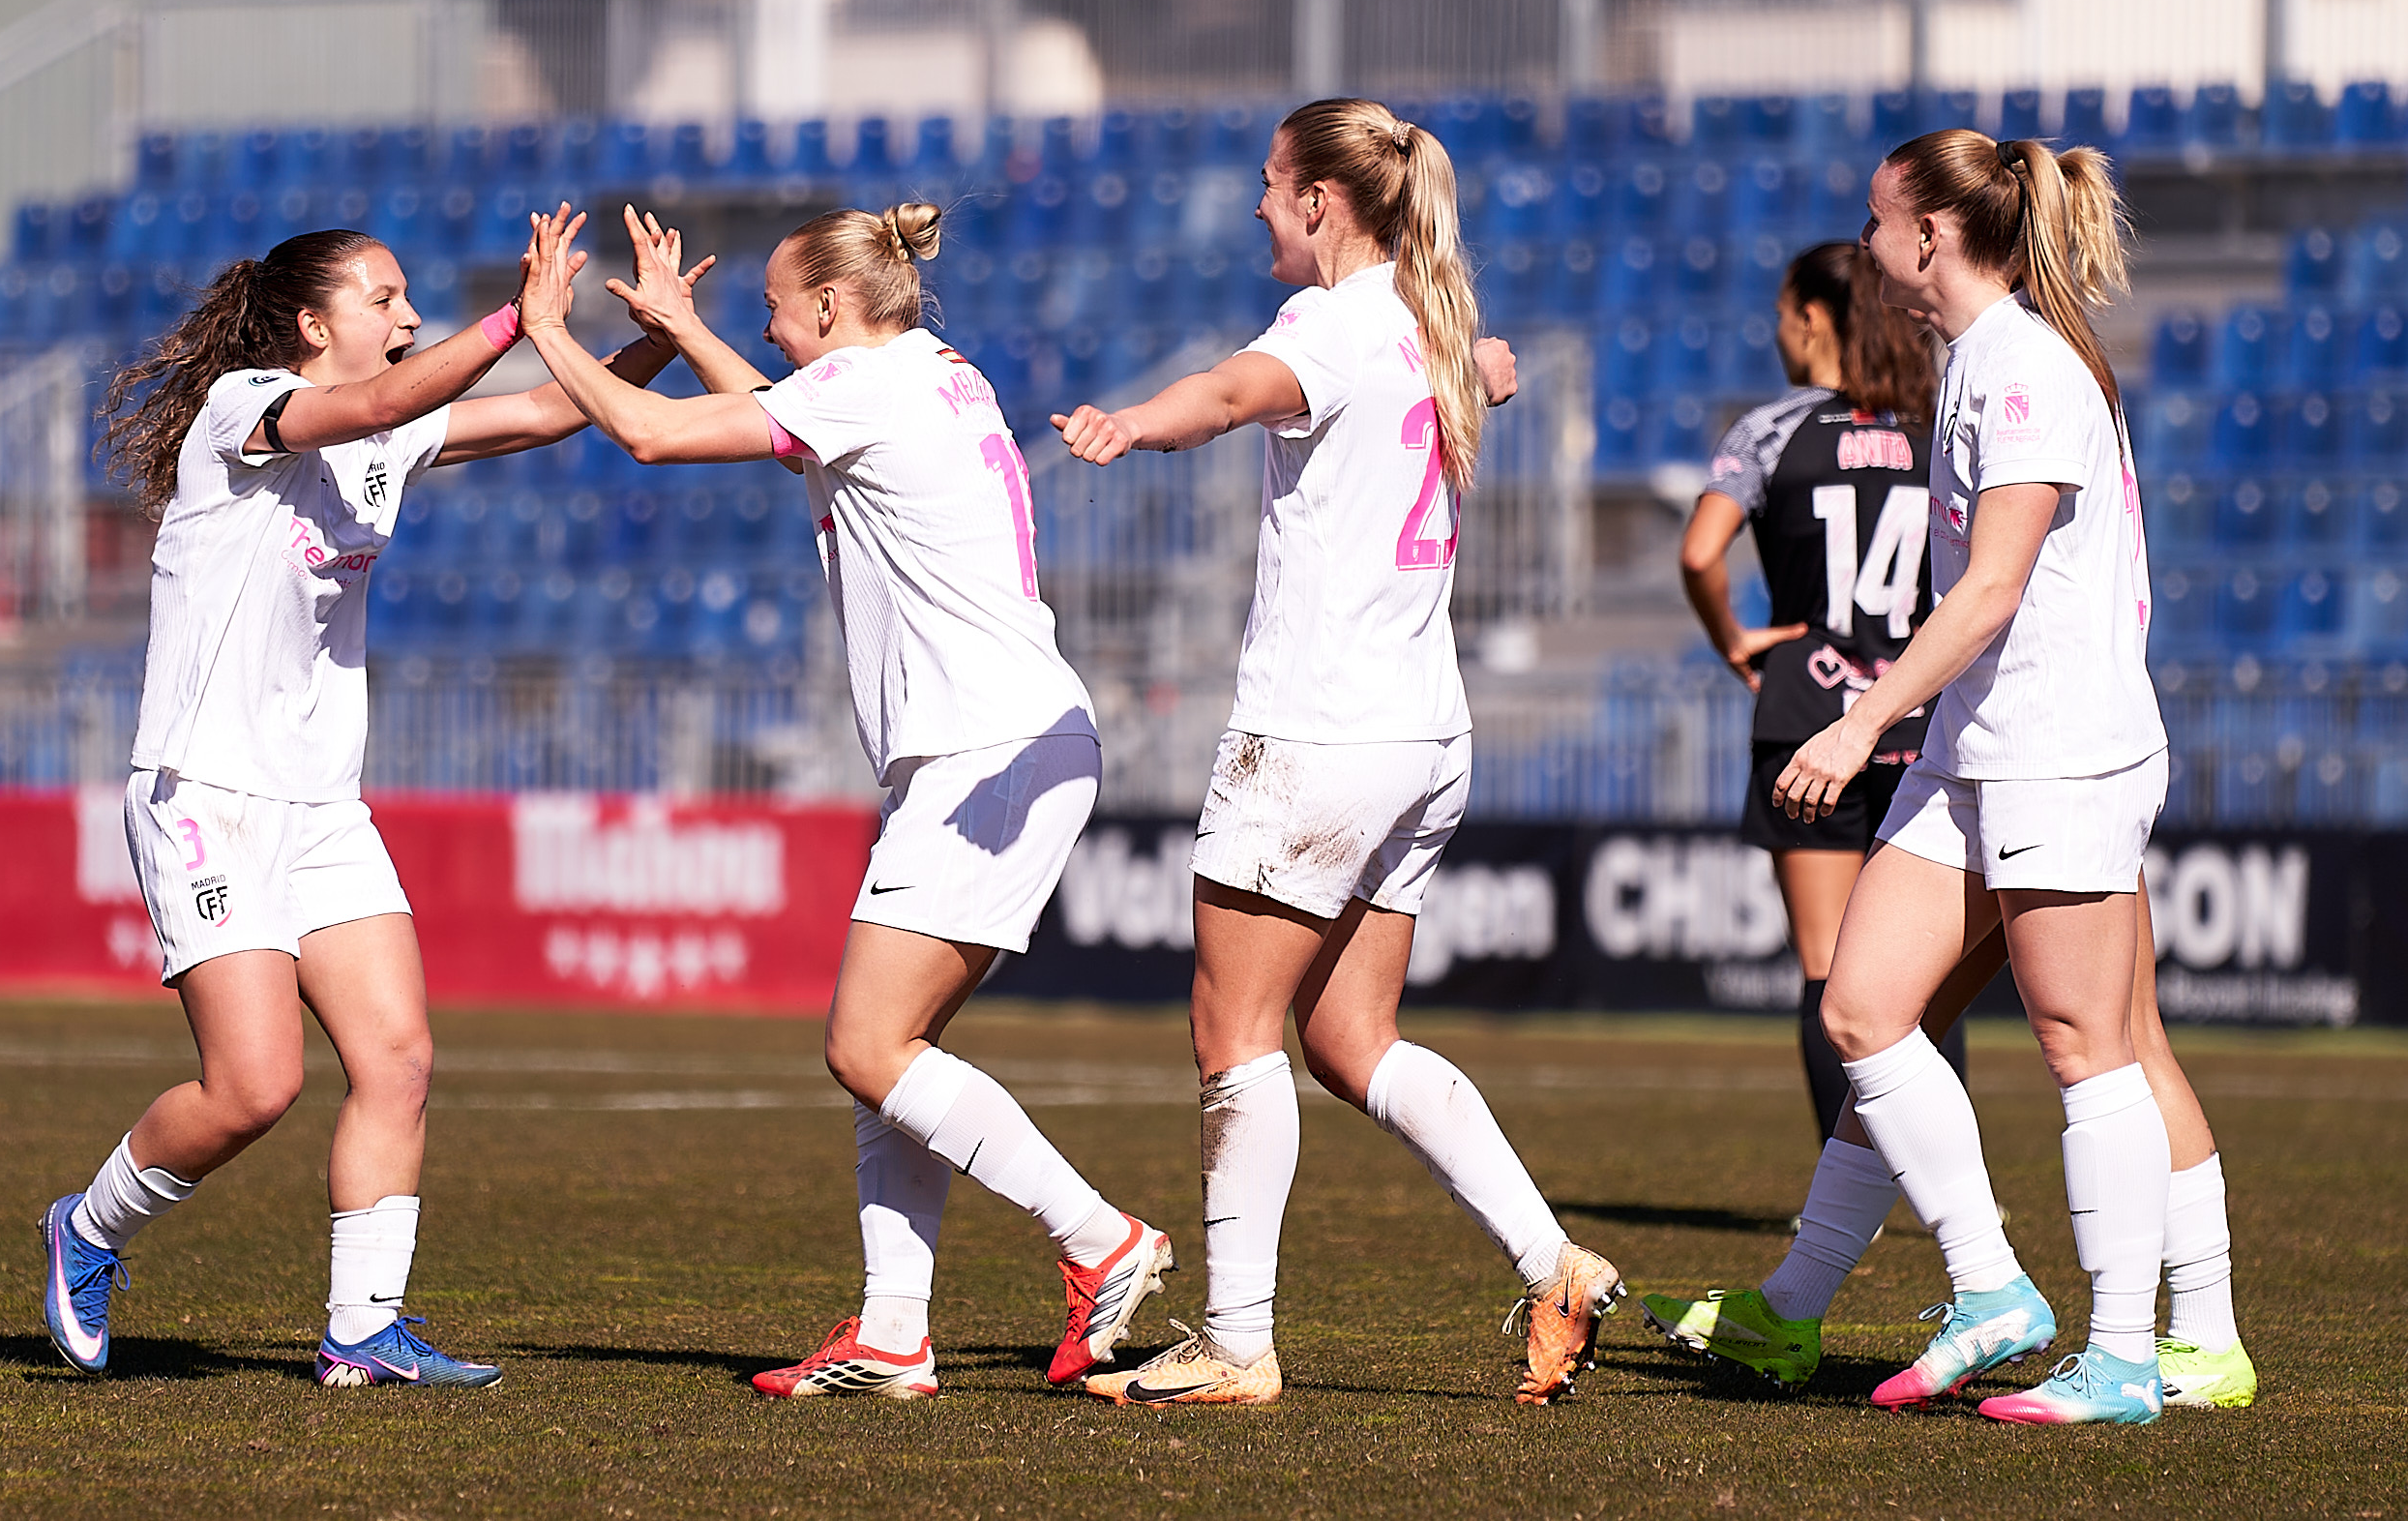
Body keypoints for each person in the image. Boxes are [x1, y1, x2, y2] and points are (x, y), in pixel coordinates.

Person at [515, 201, 1175, 1401]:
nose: (764, 331)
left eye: (774, 309)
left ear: (830, 305)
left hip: (987, 747)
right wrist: (683, 321)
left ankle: (1100, 1238)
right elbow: (790, 422)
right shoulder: (931, 374)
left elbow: (653, 435)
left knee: (866, 1044)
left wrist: (542, 327)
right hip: (1003, 741)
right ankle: (892, 1332)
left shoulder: (866, 389)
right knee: (891, 1051)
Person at [41, 206, 697, 1387]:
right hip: (209, 794)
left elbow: (554, 409)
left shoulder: (391, 427)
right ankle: (85, 1228)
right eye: (384, 300)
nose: (406, 317)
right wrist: (517, 316)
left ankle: (361, 1331)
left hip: (322, 804)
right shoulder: (246, 408)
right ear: (309, 323)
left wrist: (661, 333)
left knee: (396, 1059)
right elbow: (383, 402)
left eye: (408, 302)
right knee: (254, 1087)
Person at [1049, 98, 1618, 1410]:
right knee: (1353, 1037)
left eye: (1270, 183)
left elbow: (1239, 388)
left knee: (1230, 1025)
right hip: (1425, 728)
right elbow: (1470, 373)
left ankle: (1236, 1340)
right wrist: (1488, 367)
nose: (1258, 204)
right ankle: (1556, 1262)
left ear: (1320, 203)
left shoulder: (1331, 322)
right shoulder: (1431, 322)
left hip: (1319, 729)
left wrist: (1139, 419)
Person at [1719, 129, 2211, 1425]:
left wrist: (1856, 722)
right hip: (1973, 751)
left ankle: (2124, 1354)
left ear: (1928, 234)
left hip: (2060, 749)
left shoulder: (2028, 368)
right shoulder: (1979, 360)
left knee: (2081, 1043)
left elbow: (1994, 585)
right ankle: (1993, 1283)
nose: (1870, 241)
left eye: (1879, 219)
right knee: (1866, 1007)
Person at [1639, 880, 2254, 1411]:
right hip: (1971, 764)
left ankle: (2159, 1335)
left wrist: (1860, 733)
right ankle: (1795, 1301)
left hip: (2037, 766)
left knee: (2107, 1033)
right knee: (1883, 1028)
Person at [1676, 239, 1970, 1146]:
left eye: (1781, 315)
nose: (1778, 332)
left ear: (1811, 318)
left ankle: (1842, 1196)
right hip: (1920, 715)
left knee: (1825, 964)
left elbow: (1698, 552)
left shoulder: (1771, 430)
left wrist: (1732, 637)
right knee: (1927, 980)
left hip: (1810, 711)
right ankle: (1938, 1176)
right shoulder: (1938, 426)